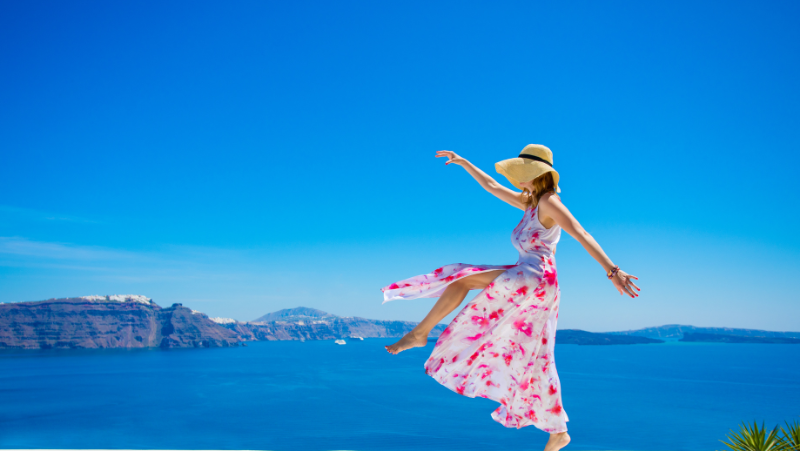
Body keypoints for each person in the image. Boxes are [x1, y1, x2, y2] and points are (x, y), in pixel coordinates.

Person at [380, 144, 640, 451]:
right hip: (527, 276)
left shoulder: (549, 202)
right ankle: (558, 432)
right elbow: (491, 186)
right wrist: (464, 163)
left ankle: (419, 333)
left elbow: (581, 232)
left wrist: (613, 271)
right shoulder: (529, 204)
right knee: (536, 354)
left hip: (537, 278)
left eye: (522, 172)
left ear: (535, 174)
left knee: (463, 277)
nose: (517, 178)